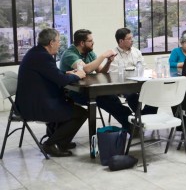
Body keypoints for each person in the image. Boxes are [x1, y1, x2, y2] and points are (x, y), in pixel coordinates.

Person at [15, 28, 87, 157]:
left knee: (69, 104)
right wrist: (78, 75)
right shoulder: (43, 57)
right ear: (51, 42)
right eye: (58, 41)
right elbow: (61, 81)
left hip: (30, 102)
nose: (59, 44)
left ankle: (62, 142)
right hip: (36, 106)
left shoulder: (36, 53)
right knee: (81, 113)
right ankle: (50, 144)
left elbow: (52, 74)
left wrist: (66, 73)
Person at [60, 29, 133, 130]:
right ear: (82, 43)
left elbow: (100, 72)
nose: (93, 43)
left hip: (89, 89)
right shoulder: (69, 54)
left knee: (111, 97)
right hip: (73, 92)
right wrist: (103, 56)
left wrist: (108, 62)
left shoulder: (89, 52)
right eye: (90, 41)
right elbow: (85, 69)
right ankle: (131, 126)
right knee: (106, 99)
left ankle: (131, 124)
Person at [108, 27, 157, 114]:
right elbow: (114, 73)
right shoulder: (113, 54)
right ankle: (140, 117)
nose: (132, 40)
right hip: (123, 85)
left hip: (139, 82)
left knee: (156, 92)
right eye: (129, 38)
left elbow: (143, 67)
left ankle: (143, 116)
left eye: (132, 38)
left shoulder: (136, 52)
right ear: (121, 41)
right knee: (132, 95)